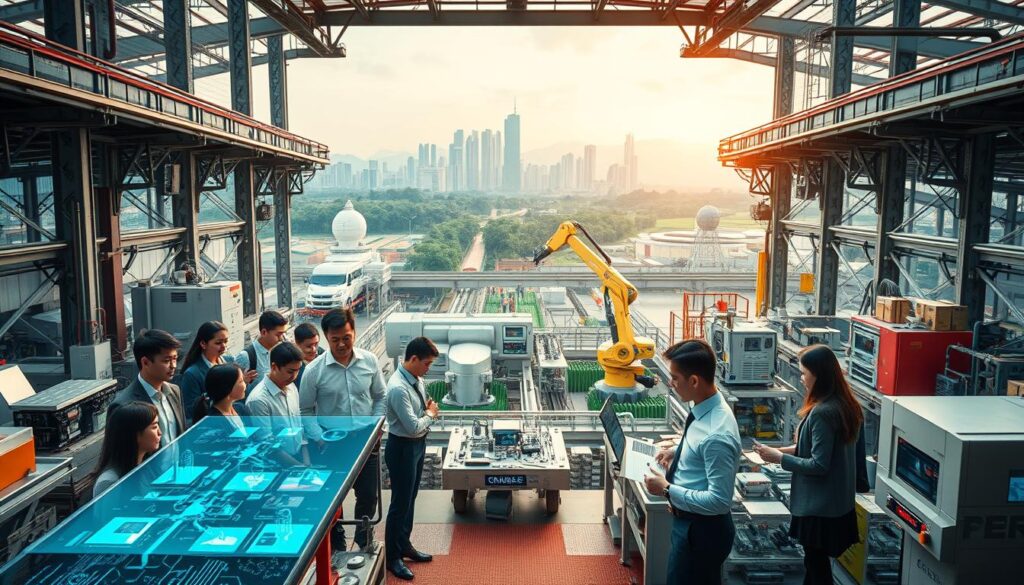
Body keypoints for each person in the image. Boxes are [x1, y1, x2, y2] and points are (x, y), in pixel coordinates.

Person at [754, 345, 863, 585]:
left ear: (819, 374)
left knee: (817, 569)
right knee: (816, 568)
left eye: (804, 373)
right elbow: (821, 451)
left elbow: (819, 464)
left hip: (818, 510)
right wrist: (775, 451)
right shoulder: (844, 405)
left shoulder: (822, 413)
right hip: (836, 506)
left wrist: (780, 459)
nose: (801, 378)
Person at [643, 339, 741, 585]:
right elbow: (699, 444)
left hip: (701, 533)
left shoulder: (716, 434)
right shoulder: (705, 408)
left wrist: (666, 489)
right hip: (690, 521)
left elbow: (719, 502)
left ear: (694, 381)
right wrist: (677, 451)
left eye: (675, 378)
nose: (671, 384)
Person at [299, 308, 386, 551]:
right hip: (330, 443)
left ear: (354, 332)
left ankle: (363, 540)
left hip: (365, 441)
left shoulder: (369, 361)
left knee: (368, 496)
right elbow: (305, 410)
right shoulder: (314, 370)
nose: (341, 344)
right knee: (332, 497)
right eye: (335, 339)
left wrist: (376, 427)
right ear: (326, 337)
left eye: (346, 337)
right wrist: (319, 438)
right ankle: (336, 544)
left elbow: (380, 396)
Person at [384, 337, 440, 581]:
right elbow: (413, 427)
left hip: (416, 446)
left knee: (410, 500)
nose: (428, 369)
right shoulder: (398, 388)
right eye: (426, 364)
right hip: (403, 448)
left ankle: (404, 544)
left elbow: (418, 420)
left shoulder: (415, 379)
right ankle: (393, 558)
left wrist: (425, 412)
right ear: (413, 359)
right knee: (399, 504)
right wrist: (430, 414)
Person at [109, 329, 186, 448]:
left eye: (175, 358)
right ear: (145, 362)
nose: (173, 366)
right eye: (166, 360)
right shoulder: (123, 405)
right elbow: (120, 455)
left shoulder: (174, 391)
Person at [178, 321, 255, 424]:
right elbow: (190, 413)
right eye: (218, 343)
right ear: (203, 344)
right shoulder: (192, 374)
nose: (224, 346)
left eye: (226, 341)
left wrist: (241, 383)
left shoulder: (230, 361)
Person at [246, 342, 308, 466]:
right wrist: (298, 467)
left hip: (298, 458)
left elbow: (299, 425)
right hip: (277, 465)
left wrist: (306, 460)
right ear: (274, 367)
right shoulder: (258, 400)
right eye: (290, 371)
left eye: (297, 370)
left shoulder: (291, 388)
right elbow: (268, 445)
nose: (294, 376)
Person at [92, 401, 161, 498]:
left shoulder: (145, 467)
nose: (160, 432)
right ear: (134, 434)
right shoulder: (109, 483)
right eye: (154, 427)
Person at [236, 310, 289, 395]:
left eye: (283, 334)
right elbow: (232, 390)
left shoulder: (278, 352)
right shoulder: (246, 357)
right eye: (278, 335)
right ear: (264, 332)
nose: (281, 339)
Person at [192, 363, 250, 431]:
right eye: (241, 381)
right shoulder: (213, 423)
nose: (244, 384)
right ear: (227, 389)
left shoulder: (241, 409)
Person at [294, 322, 325, 389]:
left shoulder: (324, 355)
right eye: (309, 346)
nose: (314, 349)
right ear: (297, 344)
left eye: (316, 344)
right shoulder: (292, 365)